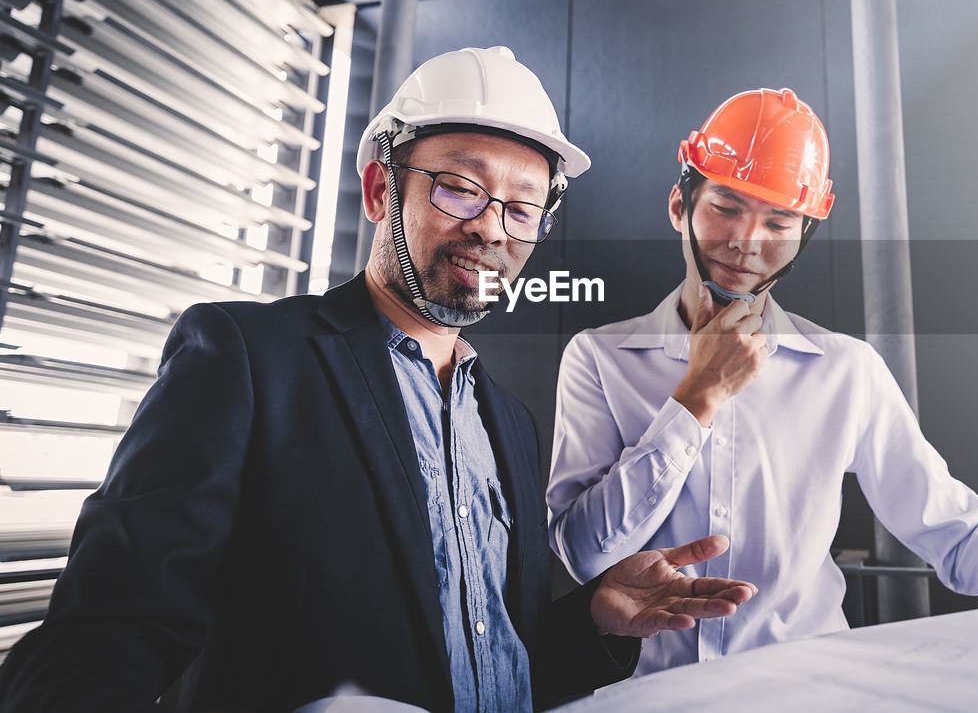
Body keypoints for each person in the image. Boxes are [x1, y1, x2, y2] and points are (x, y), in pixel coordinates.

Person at [0, 47, 756, 712]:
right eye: (460, 187)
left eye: (523, 209)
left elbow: (493, 663)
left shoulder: (512, 424)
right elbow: (96, 646)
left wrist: (594, 617)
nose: (492, 228)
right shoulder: (248, 359)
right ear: (377, 191)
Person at [545, 87, 978, 677]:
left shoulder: (845, 369)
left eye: (779, 222)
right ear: (681, 207)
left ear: (804, 235)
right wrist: (697, 397)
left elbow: (955, 532)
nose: (747, 243)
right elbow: (582, 554)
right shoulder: (600, 358)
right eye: (726, 207)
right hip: (650, 699)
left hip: (807, 693)